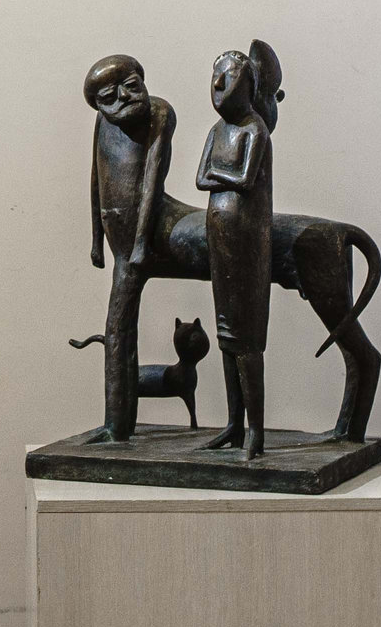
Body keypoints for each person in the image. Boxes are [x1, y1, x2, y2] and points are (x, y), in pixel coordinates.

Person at [82, 55, 178, 442]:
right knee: (117, 328)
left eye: (132, 87)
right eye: (110, 97)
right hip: (119, 241)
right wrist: (95, 239)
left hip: (141, 234)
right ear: (98, 104)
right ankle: (116, 426)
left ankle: (116, 426)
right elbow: (97, 178)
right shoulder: (103, 123)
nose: (124, 98)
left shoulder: (159, 112)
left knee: (117, 326)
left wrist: (140, 242)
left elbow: (153, 179)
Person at [197, 46, 276, 462]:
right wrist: (219, 177)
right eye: (216, 76)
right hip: (219, 236)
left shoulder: (254, 129)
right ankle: (233, 424)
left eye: (228, 77)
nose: (218, 84)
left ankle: (255, 433)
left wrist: (218, 175)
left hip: (246, 241)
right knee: (226, 337)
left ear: (248, 86)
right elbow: (200, 178)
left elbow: (244, 181)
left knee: (246, 341)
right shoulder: (217, 130)